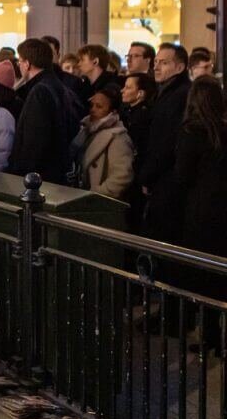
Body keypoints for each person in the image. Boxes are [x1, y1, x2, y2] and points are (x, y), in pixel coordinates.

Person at [175, 76, 227, 291]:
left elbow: (183, 174)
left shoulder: (191, 132)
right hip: (221, 205)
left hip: (199, 207)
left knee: (198, 265)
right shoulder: (222, 131)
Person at [6, 38, 80, 184]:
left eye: (20, 61)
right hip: (54, 172)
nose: (19, 65)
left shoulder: (40, 91)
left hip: (39, 178)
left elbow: (34, 139)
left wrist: (23, 174)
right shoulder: (56, 85)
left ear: (27, 64)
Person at [139, 43, 191, 244]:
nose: (157, 67)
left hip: (167, 179)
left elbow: (164, 142)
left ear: (180, 67)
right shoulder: (167, 92)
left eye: (164, 62)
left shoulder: (178, 96)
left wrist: (147, 176)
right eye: (156, 62)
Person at [68, 85, 134, 200]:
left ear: (112, 112)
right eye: (91, 105)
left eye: (99, 106)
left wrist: (96, 194)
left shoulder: (117, 137)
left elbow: (122, 176)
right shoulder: (86, 129)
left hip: (95, 202)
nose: (92, 109)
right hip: (78, 195)